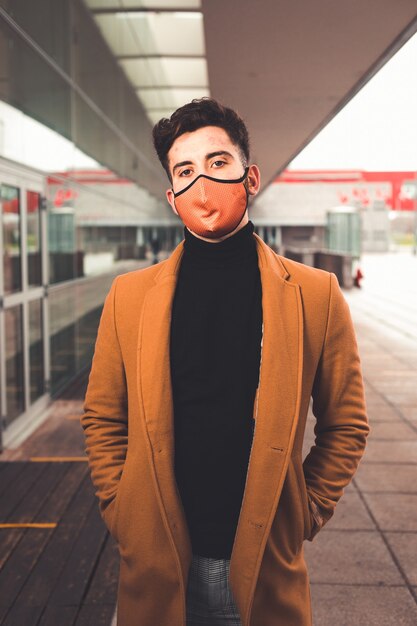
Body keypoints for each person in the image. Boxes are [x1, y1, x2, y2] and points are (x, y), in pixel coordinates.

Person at [81, 98, 370, 626]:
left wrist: (306, 511)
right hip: (156, 566)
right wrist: (122, 512)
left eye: (217, 163)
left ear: (250, 176)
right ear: (171, 197)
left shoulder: (316, 294)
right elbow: (103, 417)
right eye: (185, 171)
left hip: (263, 570)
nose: (202, 183)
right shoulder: (129, 297)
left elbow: (346, 425)